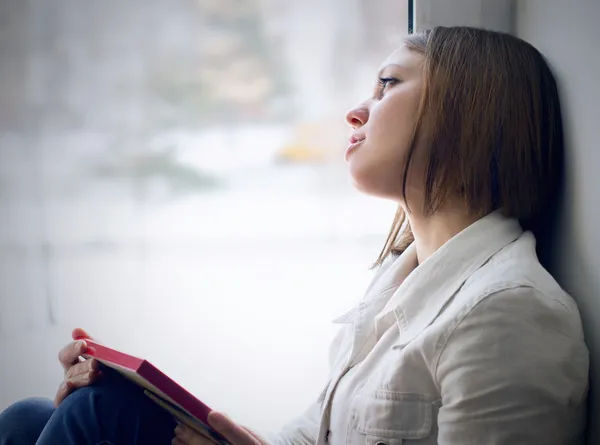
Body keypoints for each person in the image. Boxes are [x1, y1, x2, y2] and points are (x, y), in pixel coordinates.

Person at [0, 25, 589, 445]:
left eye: (388, 85)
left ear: (467, 111)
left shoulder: (508, 314)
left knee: (96, 415)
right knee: (41, 415)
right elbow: (317, 432)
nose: (357, 111)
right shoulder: (399, 281)